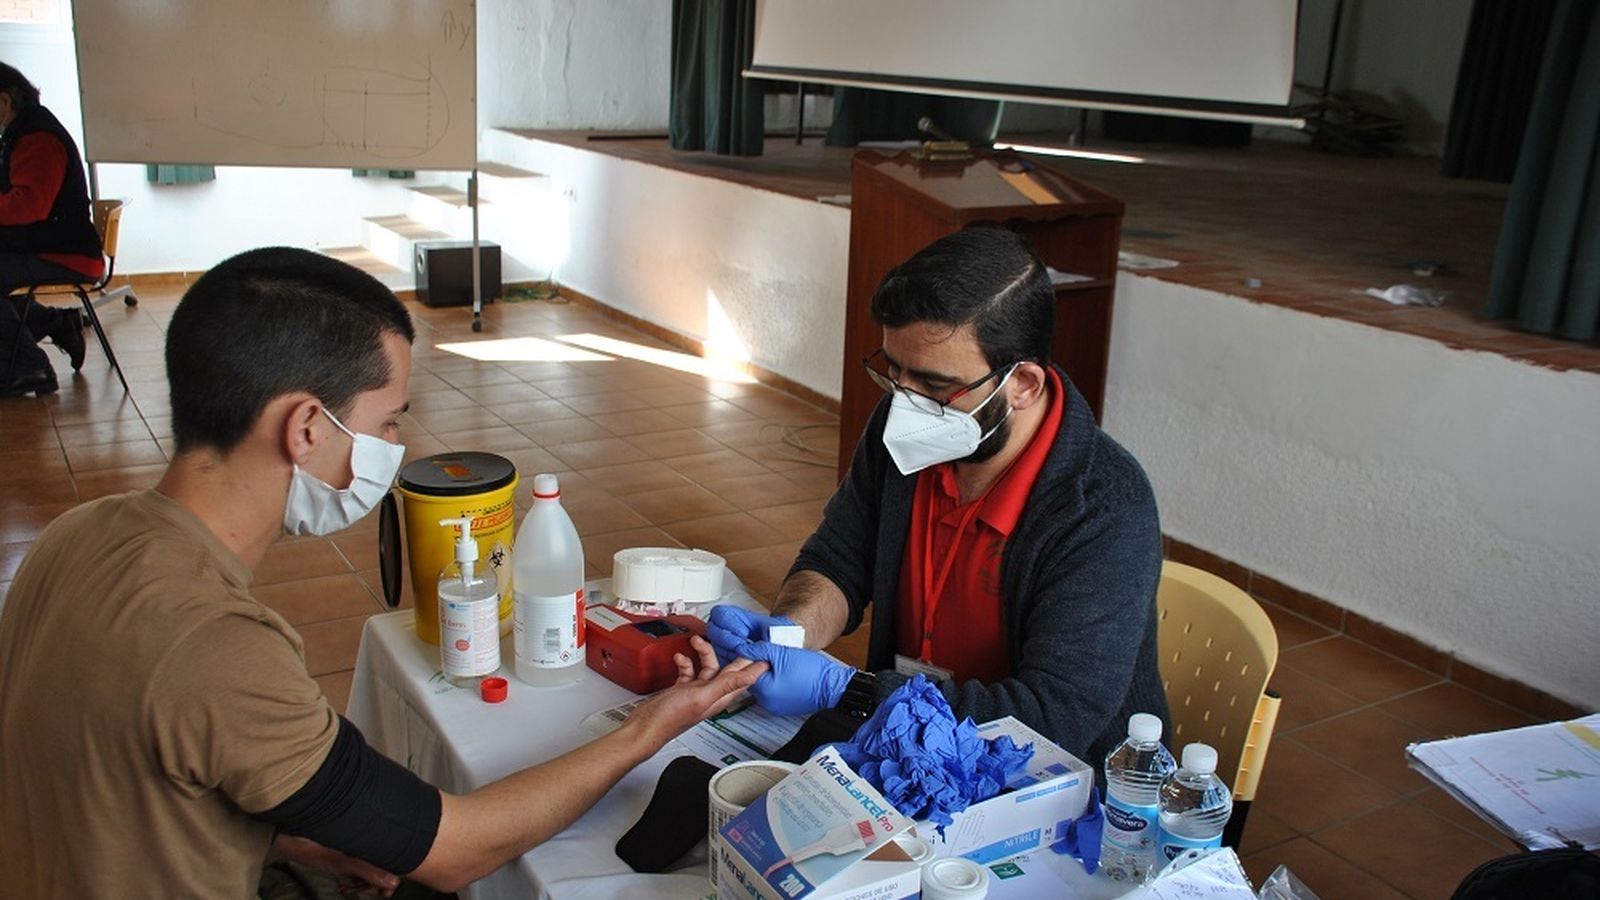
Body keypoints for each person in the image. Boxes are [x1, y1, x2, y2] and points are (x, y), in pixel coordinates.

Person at [0, 247, 763, 897]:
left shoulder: (79, 532)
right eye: (388, 422)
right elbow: (457, 846)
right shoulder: (217, 645)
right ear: (306, 428)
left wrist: (290, 841)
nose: (395, 445)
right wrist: (647, 730)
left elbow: (125, 783)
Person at [707, 227, 1170, 767]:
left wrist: (848, 690)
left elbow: (1054, 717)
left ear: (1022, 384)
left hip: (1044, 778)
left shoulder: (1106, 507)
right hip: (901, 740)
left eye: (935, 386)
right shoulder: (905, 427)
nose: (906, 402)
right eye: (894, 372)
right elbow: (839, 557)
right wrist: (791, 632)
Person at [0, 63, 94, 397]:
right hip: (46, 246)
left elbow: (29, 205)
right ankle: (55, 323)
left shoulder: (38, 138)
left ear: (4, 102)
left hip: (67, 254)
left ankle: (31, 369)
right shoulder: (21, 133)